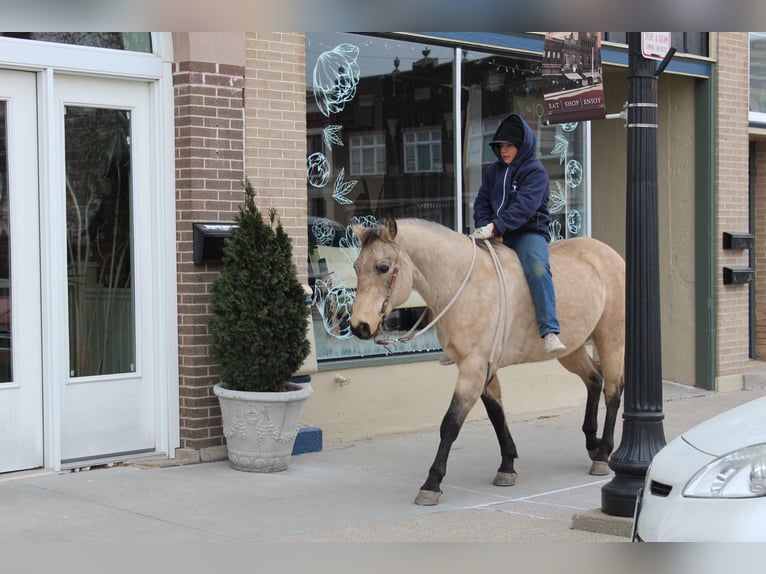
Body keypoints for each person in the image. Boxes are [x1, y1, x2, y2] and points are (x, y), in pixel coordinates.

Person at [471, 112, 566, 354]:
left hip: (527, 233)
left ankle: (550, 331)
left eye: (510, 145)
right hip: (494, 233)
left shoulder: (535, 171)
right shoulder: (492, 172)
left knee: (537, 268)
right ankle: (468, 340)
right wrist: (484, 225)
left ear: (522, 146)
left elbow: (525, 207)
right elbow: (481, 202)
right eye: (501, 145)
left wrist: (495, 227)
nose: (504, 150)